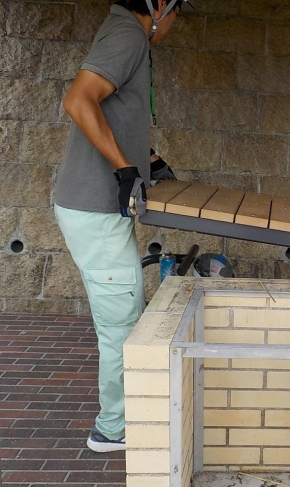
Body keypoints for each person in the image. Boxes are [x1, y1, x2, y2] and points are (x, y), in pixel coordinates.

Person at [53, 0, 182, 453]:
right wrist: (125, 168)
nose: (176, 23)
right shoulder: (128, 35)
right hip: (96, 210)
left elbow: (113, 111)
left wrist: (145, 160)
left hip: (99, 209)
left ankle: (122, 416)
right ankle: (113, 428)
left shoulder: (124, 34)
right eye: (179, 11)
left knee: (125, 314)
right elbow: (79, 99)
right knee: (123, 325)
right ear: (160, 5)